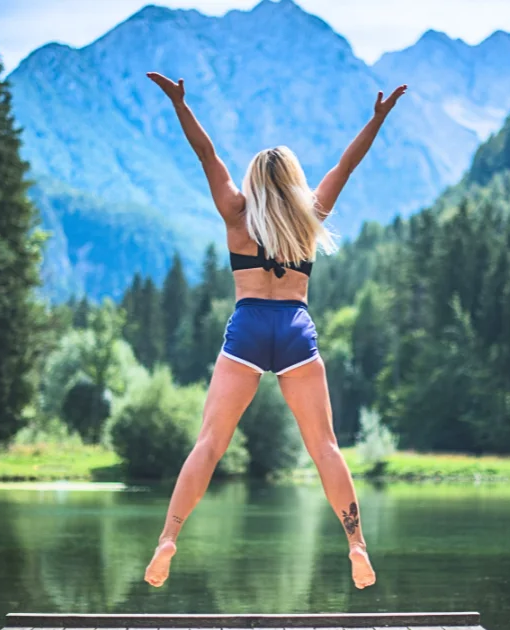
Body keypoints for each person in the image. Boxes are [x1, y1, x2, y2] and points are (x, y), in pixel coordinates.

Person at [141, 71, 407, 591]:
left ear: (255, 180)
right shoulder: (309, 215)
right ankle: (356, 544)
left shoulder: (235, 211)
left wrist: (180, 104)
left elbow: (206, 153)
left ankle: (168, 538)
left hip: (246, 330)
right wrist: (376, 121)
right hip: (294, 331)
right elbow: (345, 166)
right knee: (325, 447)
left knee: (209, 445)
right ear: (293, 179)